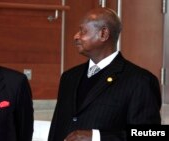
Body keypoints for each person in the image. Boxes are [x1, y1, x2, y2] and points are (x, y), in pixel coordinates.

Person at [48, 7, 161, 141]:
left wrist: (98, 137)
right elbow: (56, 128)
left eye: (83, 31)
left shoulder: (140, 81)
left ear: (103, 34)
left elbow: (150, 134)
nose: (76, 36)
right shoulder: (69, 77)